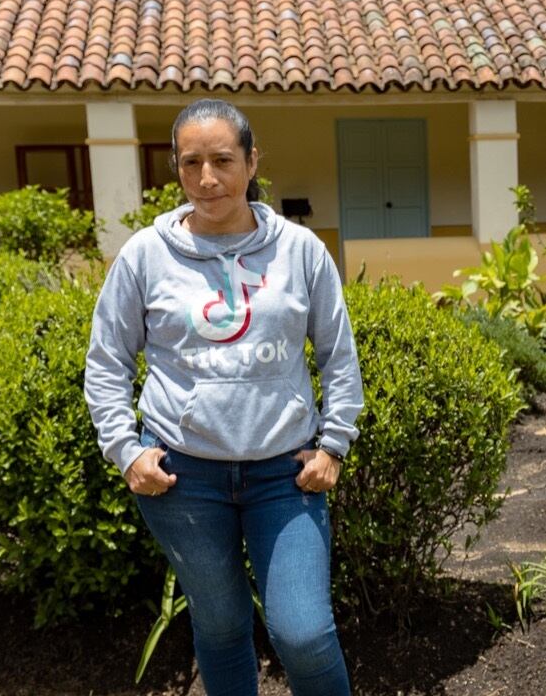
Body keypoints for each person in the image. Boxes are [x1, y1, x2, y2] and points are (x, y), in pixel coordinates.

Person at [84, 98, 361, 696]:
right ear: (176, 169)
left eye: (223, 160)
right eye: (191, 163)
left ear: (252, 160)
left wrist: (333, 444)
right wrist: (125, 451)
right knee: (221, 625)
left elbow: (338, 354)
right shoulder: (144, 256)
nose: (207, 179)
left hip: (284, 475)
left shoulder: (300, 251)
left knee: (305, 632)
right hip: (183, 479)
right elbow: (106, 360)